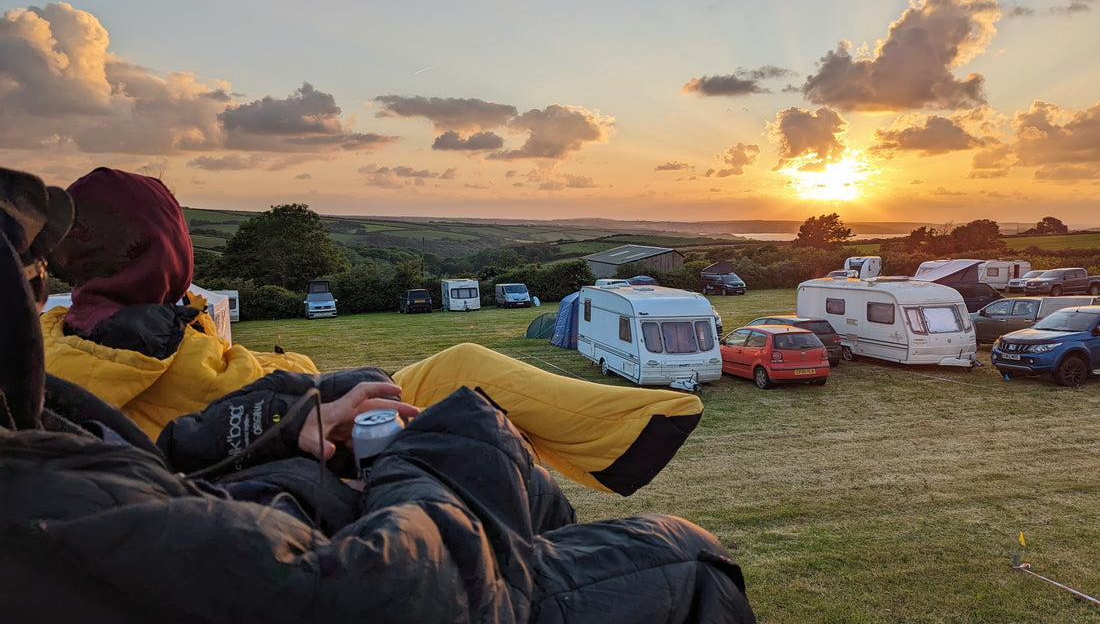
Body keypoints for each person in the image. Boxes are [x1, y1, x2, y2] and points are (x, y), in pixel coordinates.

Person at [0, 167, 760, 624]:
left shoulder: (67, 370)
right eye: (21, 266)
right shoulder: (113, 354)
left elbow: (165, 447)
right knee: (468, 407)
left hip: (288, 443)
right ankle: (621, 443)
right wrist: (412, 455)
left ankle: (622, 439)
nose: (34, 279)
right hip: (327, 526)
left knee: (458, 379)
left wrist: (278, 418)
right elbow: (378, 617)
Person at [43, 167, 706, 496]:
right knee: (465, 373)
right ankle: (638, 433)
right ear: (164, 248)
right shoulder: (144, 338)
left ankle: (624, 441)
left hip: (287, 428)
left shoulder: (65, 332)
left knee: (463, 371)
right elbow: (253, 392)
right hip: (301, 437)